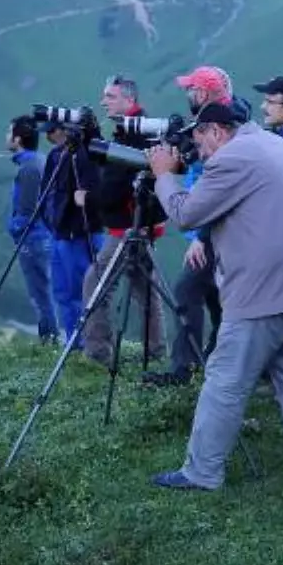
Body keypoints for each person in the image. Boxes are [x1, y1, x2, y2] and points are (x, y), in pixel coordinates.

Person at [146, 101, 283, 490]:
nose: (199, 153)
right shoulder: (275, 145)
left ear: (216, 131)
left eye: (200, 142)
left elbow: (186, 214)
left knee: (225, 380)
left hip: (264, 291)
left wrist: (163, 176)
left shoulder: (233, 158)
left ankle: (201, 473)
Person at [143, 66, 232, 387]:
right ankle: (219, 359)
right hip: (210, 225)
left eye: (191, 89)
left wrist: (201, 236)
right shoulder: (213, 123)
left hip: (213, 227)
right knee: (217, 298)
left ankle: (185, 369)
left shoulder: (218, 127)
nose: (187, 95)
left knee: (187, 289)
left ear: (204, 93)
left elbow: (217, 184)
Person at [82, 75, 165, 368]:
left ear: (129, 100)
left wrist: (91, 199)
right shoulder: (134, 128)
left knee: (96, 282)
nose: (104, 101)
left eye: (110, 96)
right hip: (139, 223)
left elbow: (118, 181)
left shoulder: (135, 131)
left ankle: (98, 351)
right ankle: (154, 350)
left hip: (130, 226)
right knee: (145, 289)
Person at [41, 121, 104, 348]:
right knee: (63, 292)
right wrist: (50, 221)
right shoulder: (56, 156)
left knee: (80, 291)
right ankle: (72, 341)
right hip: (60, 232)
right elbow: (46, 192)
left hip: (78, 232)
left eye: (52, 131)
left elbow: (94, 189)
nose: (48, 137)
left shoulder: (85, 155)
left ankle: (86, 344)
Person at [6, 117, 58, 344]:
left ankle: (49, 337)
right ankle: (51, 335)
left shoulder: (28, 168)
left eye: (9, 132)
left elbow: (27, 210)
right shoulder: (40, 161)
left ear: (18, 139)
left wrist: (14, 228)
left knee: (40, 292)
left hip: (33, 237)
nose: (6, 137)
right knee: (46, 289)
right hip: (44, 235)